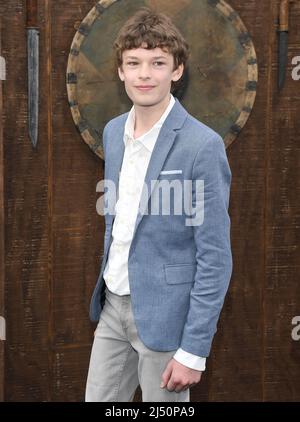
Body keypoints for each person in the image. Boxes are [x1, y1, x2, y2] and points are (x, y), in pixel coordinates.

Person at [85, 7, 232, 402]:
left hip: (168, 317)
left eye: (157, 62)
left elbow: (215, 257)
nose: (144, 74)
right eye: (133, 62)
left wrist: (193, 351)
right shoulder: (114, 132)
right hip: (113, 304)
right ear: (120, 70)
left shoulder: (202, 146)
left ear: (177, 70)